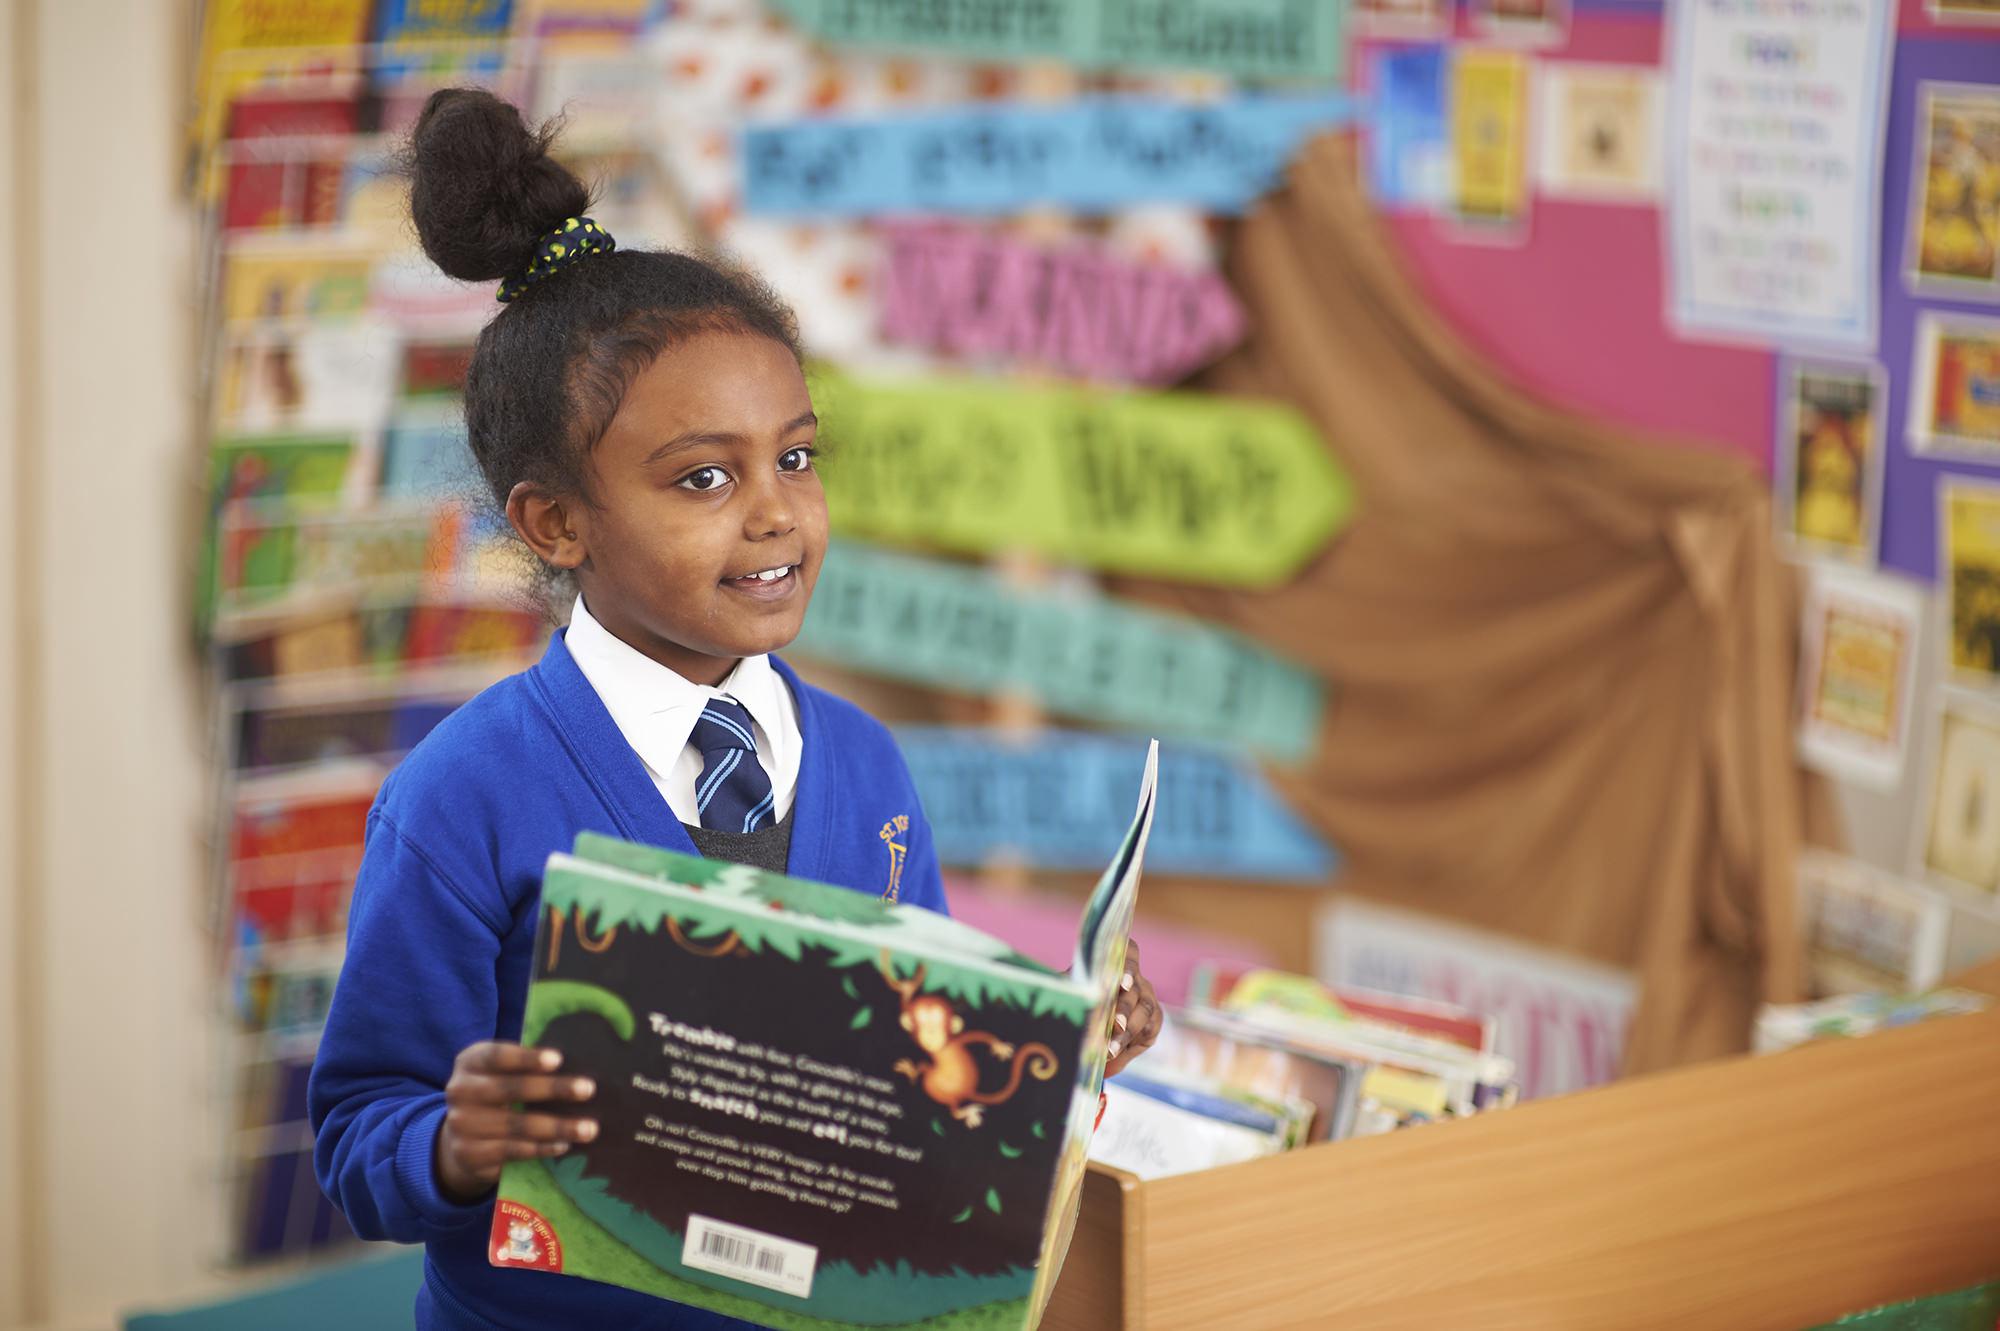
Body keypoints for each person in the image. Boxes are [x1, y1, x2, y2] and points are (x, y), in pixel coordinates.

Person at [308, 89, 1161, 1331]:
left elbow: (911, 1068)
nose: (775, 513)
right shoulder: (459, 798)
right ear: (556, 521)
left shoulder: (863, 765)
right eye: (704, 476)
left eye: (795, 457)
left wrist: (1056, 1047)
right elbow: (357, 1135)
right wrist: (452, 1141)